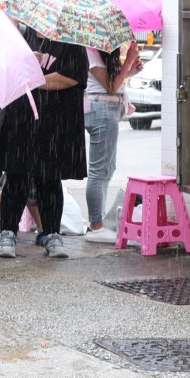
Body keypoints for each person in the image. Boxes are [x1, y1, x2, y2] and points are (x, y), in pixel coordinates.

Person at [0, 27, 88, 259]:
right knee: (16, 177)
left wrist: (34, 76)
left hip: (56, 124)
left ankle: (52, 234)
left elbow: (71, 77)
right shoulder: (24, 37)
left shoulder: (71, 41)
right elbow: (8, 72)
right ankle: (7, 233)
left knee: (50, 180)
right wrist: (25, 63)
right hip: (21, 121)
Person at [83, 41, 142, 242]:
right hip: (101, 109)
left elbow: (115, 80)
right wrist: (130, 60)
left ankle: (98, 223)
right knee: (99, 170)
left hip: (107, 110)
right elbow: (111, 86)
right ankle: (96, 224)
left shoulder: (103, 52)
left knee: (108, 169)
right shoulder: (91, 50)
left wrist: (130, 70)